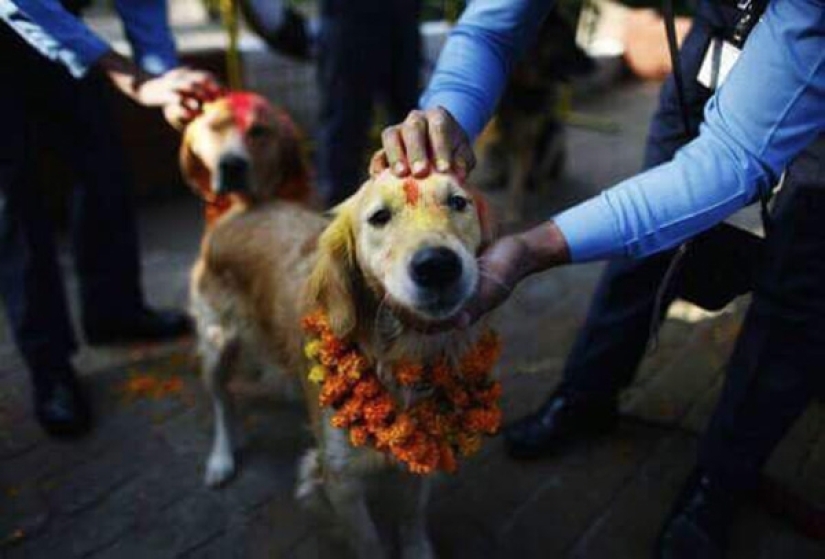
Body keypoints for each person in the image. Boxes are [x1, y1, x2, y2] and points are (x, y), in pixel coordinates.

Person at [373, 0, 825, 557]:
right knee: (645, 238)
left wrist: (532, 249)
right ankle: (587, 393)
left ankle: (721, 482)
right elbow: (493, 26)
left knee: (797, 287)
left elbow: (731, 159)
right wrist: (444, 119)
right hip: (715, 39)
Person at [1, 0, 220, 438]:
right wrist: (133, 79)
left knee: (102, 164)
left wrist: (164, 80)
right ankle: (50, 367)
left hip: (63, 24)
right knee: (14, 202)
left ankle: (114, 311)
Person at [316, 0, 421, 207]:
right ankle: (337, 212)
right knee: (344, 123)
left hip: (402, 16)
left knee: (409, 122)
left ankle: (416, 201)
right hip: (349, 18)